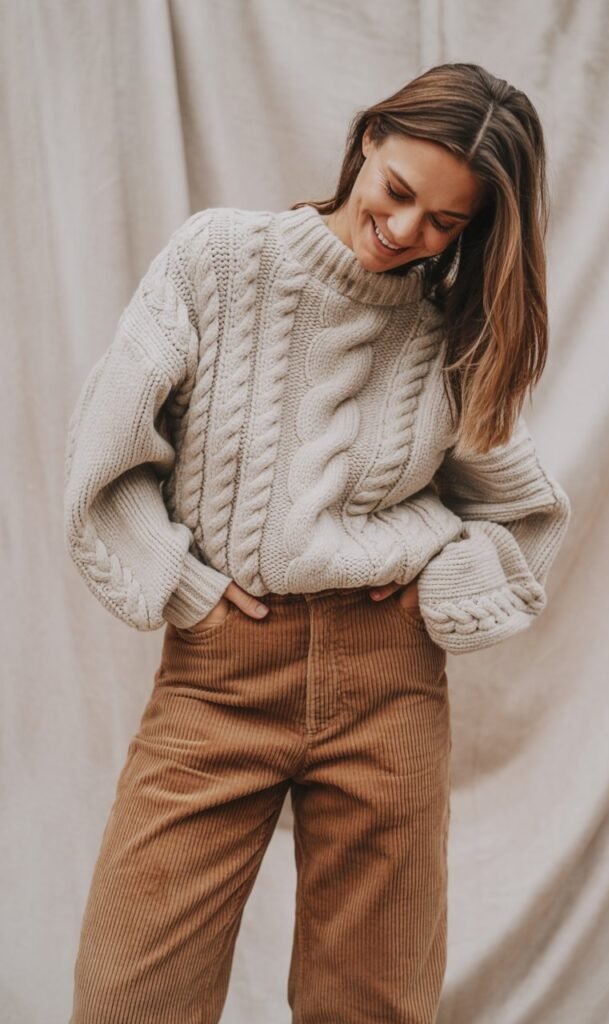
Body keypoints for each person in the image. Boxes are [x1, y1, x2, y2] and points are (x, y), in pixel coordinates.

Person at [64, 61, 571, 1023]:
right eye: (399, 193)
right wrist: (185, 589)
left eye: (447, 223)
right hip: (221, 672)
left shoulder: (450, 334)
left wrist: (443, 566)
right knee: (129, 997)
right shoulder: (217, 261)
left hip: (389, 685)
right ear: (369, 139)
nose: (409, 232)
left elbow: (524, 511)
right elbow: (110, 454)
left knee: (374, 1007)